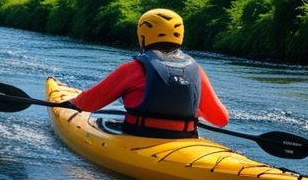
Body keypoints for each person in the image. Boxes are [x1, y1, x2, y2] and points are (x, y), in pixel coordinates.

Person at [63, 8, 229, 138]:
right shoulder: (196, 70)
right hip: (184, 138)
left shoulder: (133, 68)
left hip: (140, 136)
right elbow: (221, 119)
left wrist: (70, 104)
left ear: (143, 36)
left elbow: (89, 103)